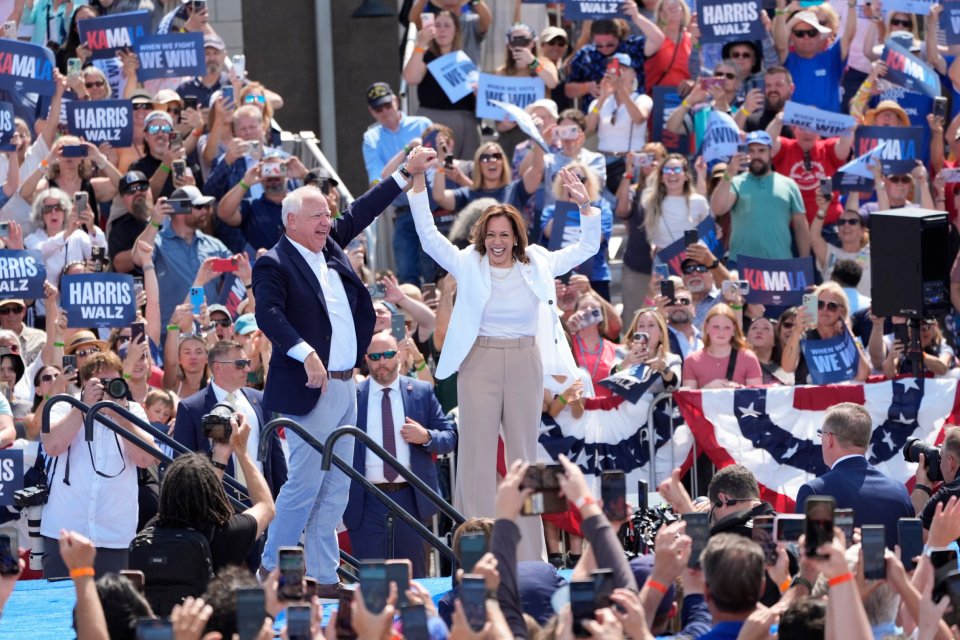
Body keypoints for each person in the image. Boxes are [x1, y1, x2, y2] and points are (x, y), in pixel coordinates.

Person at [408, 145, 599, 560]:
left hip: (527, 360)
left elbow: (586, 249)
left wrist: (587, 207)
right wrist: (418, 187)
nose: (497, 242)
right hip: (479, 360)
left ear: (516, 237)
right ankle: (475, 550)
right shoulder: (466, 262)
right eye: (491, 235)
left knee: (526, 456)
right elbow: (426, 237)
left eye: (504, 235)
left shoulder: (540, 262)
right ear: (482, 237)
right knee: (475, 455)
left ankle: (532, 557)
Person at [254, 152, 425, 593]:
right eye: (316, 216)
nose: (326, 222)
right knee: (305, 485)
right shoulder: (273, 262)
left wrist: (404, 173)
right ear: (291, 221)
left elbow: (363, 209)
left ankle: (324, 576)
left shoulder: (329, 245)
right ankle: (270, 568)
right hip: (312, 387)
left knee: (338, 488)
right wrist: (303, 351)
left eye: (327, 215)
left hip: (347, 385)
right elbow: (268, 314)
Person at [343, 331, 456, 578]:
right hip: (366, 502)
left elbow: (449, 437)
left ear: (399, 356)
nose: (381, 361)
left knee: (415, 583)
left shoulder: (422, 392)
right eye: (375, 356)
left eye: (387, 355)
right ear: (366, 359)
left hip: (411, 498)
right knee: (372, 585)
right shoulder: (353, 396)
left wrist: (426, 436)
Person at [40, 352, 157, 578]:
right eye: (100, 383)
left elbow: (145, 459)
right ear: (84, 384)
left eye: (112, 382)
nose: (106, 389)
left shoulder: (133, 411)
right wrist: (83, 407)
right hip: (65, 534)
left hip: (114, 537)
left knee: (113, 611)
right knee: (61, 609)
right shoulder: (63, 406)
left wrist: (120, 415)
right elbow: (52, 446)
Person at [157, 414, 275, 573]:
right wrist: (241, 452)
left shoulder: (151, 532)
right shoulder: (225, 532)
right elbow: (266, 506)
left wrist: (220, 458)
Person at [173, 340, 287, 500]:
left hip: (261, 503)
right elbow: (182, 464)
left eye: (247, 362)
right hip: (218, 505)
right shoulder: (191, 408)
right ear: (218, 367)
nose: (247, 369)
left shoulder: (260, 400)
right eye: (240, 364)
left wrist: (282, 504)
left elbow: (276, 458)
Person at [795, 402, 914, 547]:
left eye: (821, 434)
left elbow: (806, 558)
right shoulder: (900, 491)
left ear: (829, 439)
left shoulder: (814, 492)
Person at [710, 130, 810, 264]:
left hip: (780, 264)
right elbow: (718, 209)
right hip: (741, 264)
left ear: (771, 152)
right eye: (751, 150)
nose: (756, 155)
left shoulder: (789, 184)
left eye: (761, 150)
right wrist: (730, 172)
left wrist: (804, 262)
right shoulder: (736, 182)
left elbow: (800, 227)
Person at [402, 10, 481, 158]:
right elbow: (411, 78)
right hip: (433, 119)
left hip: (466, 121)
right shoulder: (425, 57)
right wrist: (420, 45)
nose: (442, 29)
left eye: (447, 25)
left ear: (456, 30)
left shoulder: (463, 58)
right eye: (437, 25)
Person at [782, 281, 870, 384]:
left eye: (832, 306)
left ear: (842, 311)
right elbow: (787, 368)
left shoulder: (847, 340)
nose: (825, 309)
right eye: (820, 304)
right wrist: (796, 331)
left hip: (840, 398)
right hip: (809, 398)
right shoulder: (803, 337)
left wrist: (848, 331)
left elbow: (862, 375)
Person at [774, 10, 856, 113]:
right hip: (795, 126)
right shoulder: (788, 59)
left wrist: (852, 5)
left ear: (819, 36)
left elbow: (849, 35)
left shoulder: (831, 58)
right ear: (792, 37)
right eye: (800, 33)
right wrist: (782, 11)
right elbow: (780, 45)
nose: (806, 37)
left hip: (828, 125)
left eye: (811, 33)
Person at [681, 304, 763, 389]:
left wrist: (739, 390)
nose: (721, 332)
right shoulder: (692, 361)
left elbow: (757, 397)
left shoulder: (748, 358)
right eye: (716, 327)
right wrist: (706, 389)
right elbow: (688, 399)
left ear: (734, 330)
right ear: (707, 327)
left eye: (727, 328)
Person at [107, 171, 154, 274]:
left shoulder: (169, 216)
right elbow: (119, 264)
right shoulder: (119, 228)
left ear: (150, 189)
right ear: (123, 199)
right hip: (141, 287)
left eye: (142, 187)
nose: (138, 192)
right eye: (131, 190)